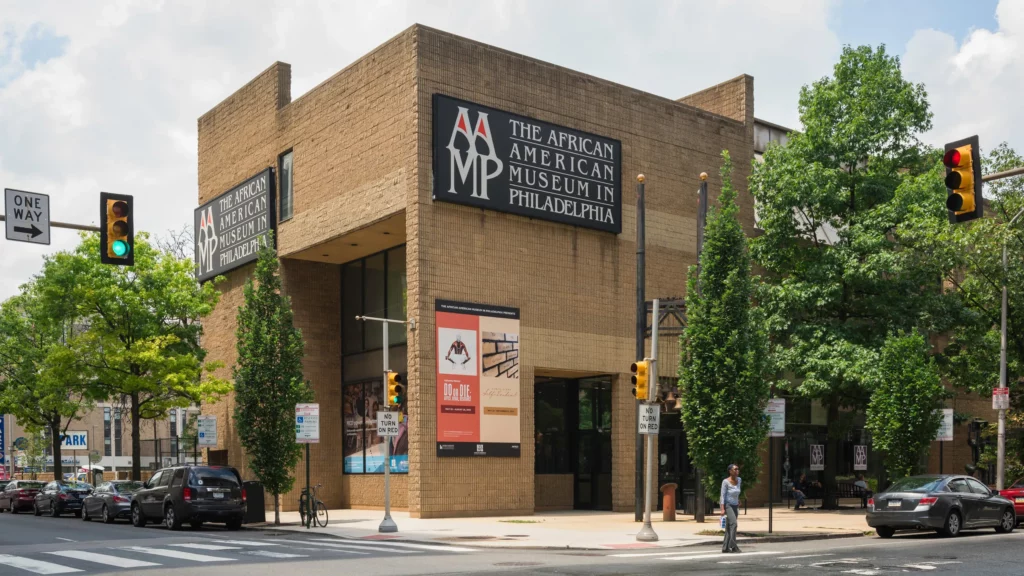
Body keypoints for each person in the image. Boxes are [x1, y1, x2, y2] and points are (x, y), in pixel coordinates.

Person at [720, 464, 742, 554]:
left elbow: (737, 491)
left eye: (738, 469)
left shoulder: (739, 480)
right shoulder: (725, 482)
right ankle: (733, 546)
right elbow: (722, 495)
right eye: (735, 469)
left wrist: (738, 500)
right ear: (730, 471)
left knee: (729, 527)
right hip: (728, 505)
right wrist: (722, 508)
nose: (737, 471)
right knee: (734, 524)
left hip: (735, 505)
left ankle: (725, 547)